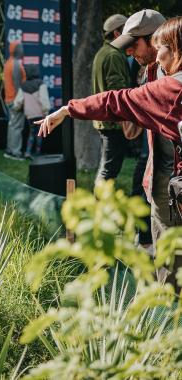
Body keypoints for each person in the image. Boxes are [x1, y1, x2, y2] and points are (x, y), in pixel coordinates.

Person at [35, 16, 182, 289]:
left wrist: (68, 109)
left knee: (173, 264)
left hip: (175, 182)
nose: (128, 52)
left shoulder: (171, 86)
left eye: (159, 48)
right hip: (163, 180)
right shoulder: (154, 72)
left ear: (170, 47)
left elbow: (118, 100)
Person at [110, 10, 173, 252]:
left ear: (155, 39)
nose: (128, 52)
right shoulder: (147, 71)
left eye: (133, 45)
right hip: (157, 171)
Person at [92, 14, 130, 184]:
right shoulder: (113, 55)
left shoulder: (103, 52)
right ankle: (99, 208)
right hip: (113, 122)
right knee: (108, 171)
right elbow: (117, 91)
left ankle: (100, 205)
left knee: (107, 168)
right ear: (116, 33)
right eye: (126, 31)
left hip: (106, 120)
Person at [12, 64, 51, 159]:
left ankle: (28, 152)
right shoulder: (41, 84)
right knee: (39, 133)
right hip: (40, 114)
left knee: (31, 133)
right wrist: (46, 111)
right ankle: (37, 152)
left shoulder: (23, 85)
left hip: (29, 114)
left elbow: (18, 101)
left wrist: (16, 108)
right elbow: (44, 99)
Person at [3, 41, 26, 161]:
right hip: (15, 100)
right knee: (17, 127)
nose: (23, 50)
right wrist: (21, 101)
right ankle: (15, 152)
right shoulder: (16, 64)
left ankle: (10, 150)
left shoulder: (8, 63)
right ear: (16, 50)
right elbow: (18, 86)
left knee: (12, 126)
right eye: (21, 48)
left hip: (10, 99)